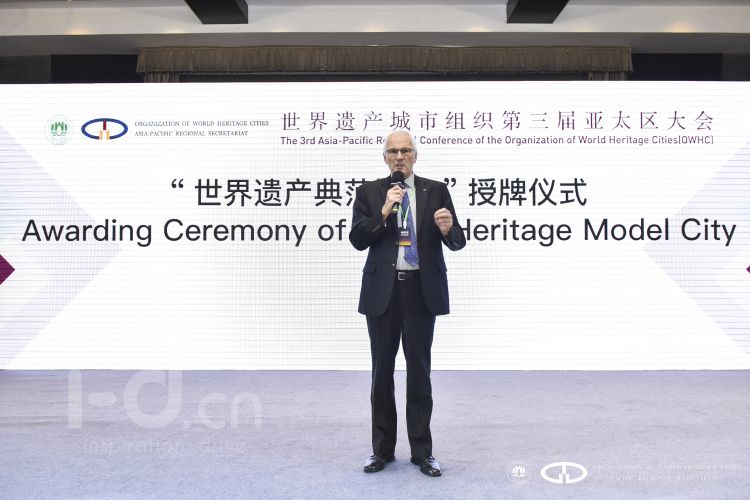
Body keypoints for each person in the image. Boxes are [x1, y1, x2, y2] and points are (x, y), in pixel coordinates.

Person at [349, 130, 466, 477]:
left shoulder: (437, 190)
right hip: (383, 294)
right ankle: (381, 451)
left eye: (405, 151)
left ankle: (423, 453)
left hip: (420, 292)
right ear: (385, 158)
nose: (399, 157)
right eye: (392, 152)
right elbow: (358, 239)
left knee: (419, 374)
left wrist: (447, 229)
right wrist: (385, 210)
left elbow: (457, 241)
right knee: (381, 374)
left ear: (415, 155)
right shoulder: (369, 192)